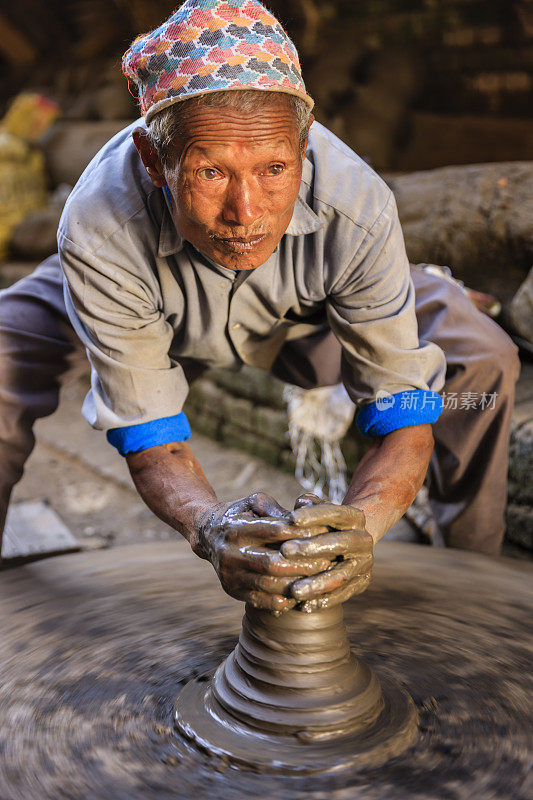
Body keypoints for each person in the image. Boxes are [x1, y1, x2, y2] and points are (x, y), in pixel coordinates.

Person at [0, 1, 519, 609]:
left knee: (482, 353)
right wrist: (210, 525)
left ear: (304, 146)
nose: (247, 211)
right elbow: (148, 435)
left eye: (275, 168)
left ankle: (472, 578)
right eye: (212, 172)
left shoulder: (354, 203)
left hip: (307, 323)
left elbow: (402, 413)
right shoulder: (99, 224)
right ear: (153, 160)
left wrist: (359, 529)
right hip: (148, 316)